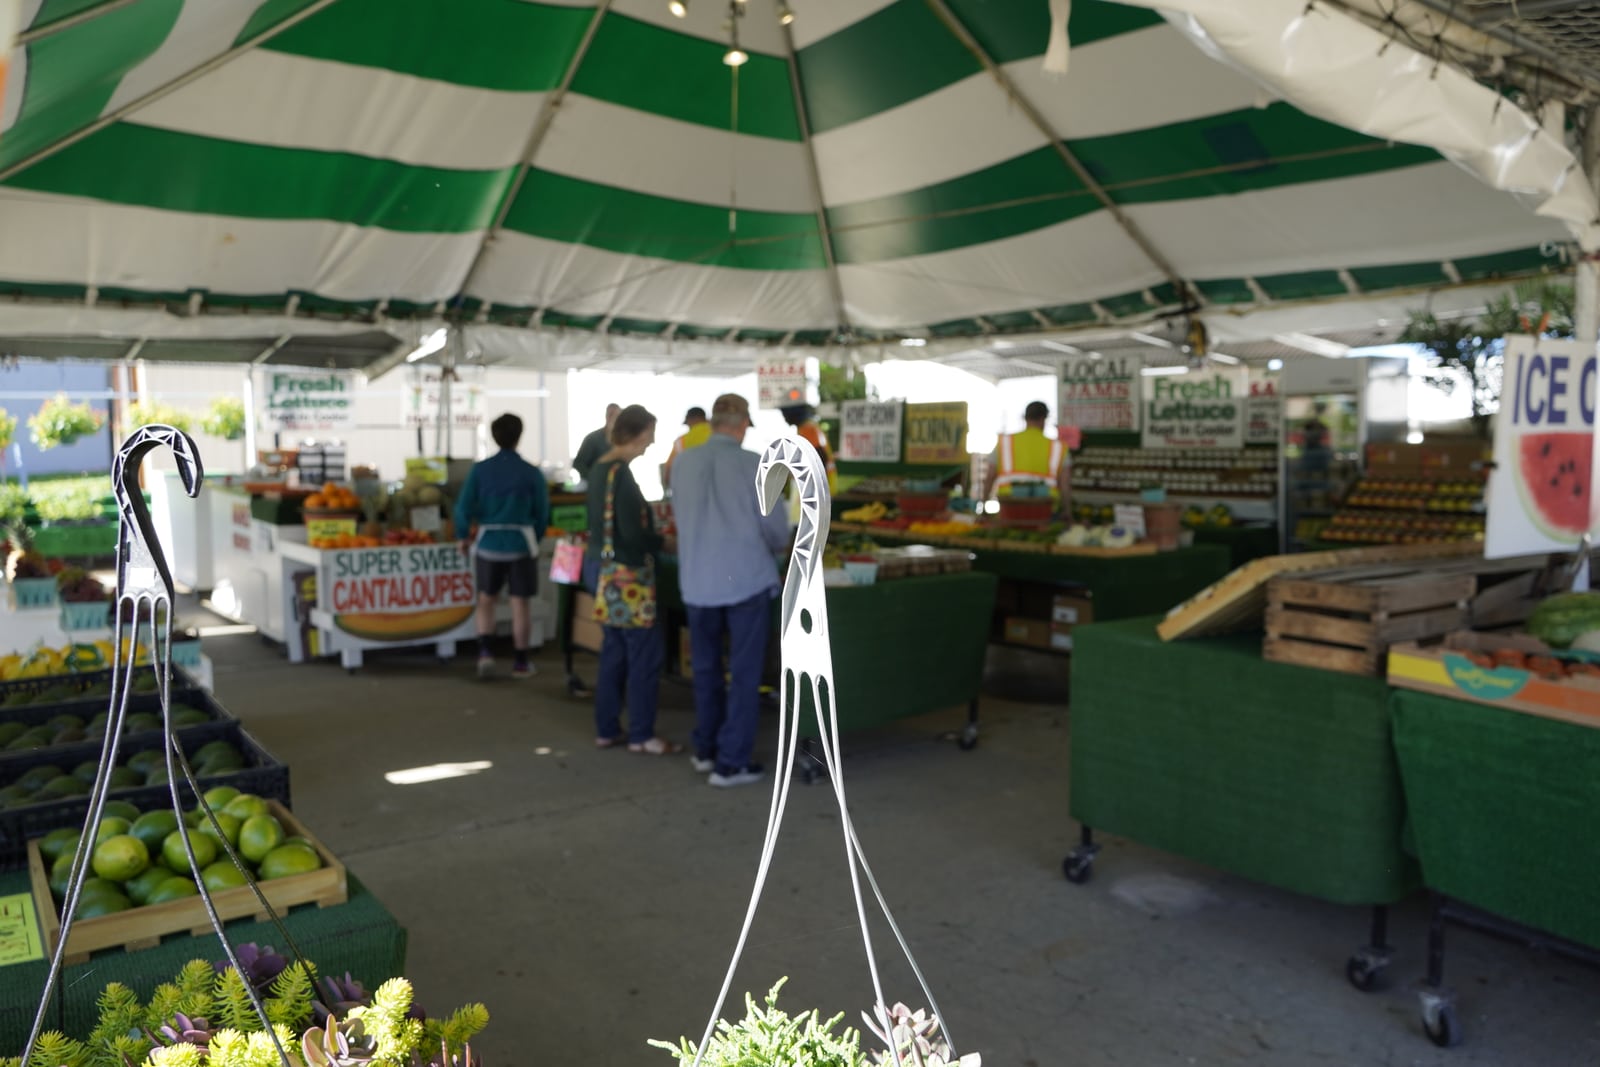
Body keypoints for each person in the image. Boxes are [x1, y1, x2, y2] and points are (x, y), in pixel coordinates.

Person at [672, 394, 791, 788]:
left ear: (712, 422)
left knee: (705, 669)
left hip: (697, 582)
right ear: (742, 425)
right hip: (744, 581)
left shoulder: (683, 462)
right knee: (743, 673)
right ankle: (733, 761)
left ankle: (705, 750)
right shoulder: (755, 465)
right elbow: (777, 531)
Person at [584, 404, 680, 755]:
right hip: (629, 576)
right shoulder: (621, 475)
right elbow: (633, 534)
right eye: (649, 436)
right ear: (638, 434)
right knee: (643, 656)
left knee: (613, 654)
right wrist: (663, 541)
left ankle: (606, 728)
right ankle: (642, 734)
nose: (650, 444)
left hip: (605, 572)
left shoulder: (598, 470)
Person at [454, 413, 550, 680]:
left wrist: (463, 536)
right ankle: (520, 662)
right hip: (521, 544)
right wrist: (535, 538)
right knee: (521, 604)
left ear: (494, 436)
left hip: (488, 544)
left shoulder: (480, 470)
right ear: (520, 436)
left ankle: (485, 653)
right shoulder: (531, 473)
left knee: (486, 599)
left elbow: (463, 507)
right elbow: (543, 513)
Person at [984, 401, 1076, 510]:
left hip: (1010, 506)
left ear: (1025, 418)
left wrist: (983, 508)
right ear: (1044, 418)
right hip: (1045, 509)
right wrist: (1067, 512)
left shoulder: (1005, 442)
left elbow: (990, 477)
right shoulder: (1059, 447)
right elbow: (1065, 484)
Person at [780, 403, 837, 495]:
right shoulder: (809, 427)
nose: (784, 418)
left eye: (785, 414)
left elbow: (819, 459)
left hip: (819, 490)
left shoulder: (807, 429)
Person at [661, 406, 711, 491]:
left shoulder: (681, 441)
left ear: (690, 420)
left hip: (693, 490)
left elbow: (669, 470)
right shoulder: (721, 434)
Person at [573, 403, 621, 483]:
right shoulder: (592, 439)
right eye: (610, 415)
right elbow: (578, 463)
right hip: (593, 484)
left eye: (616, 415)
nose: (612, 418)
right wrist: (594, 478)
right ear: (606, 416)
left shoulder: (621, 440)